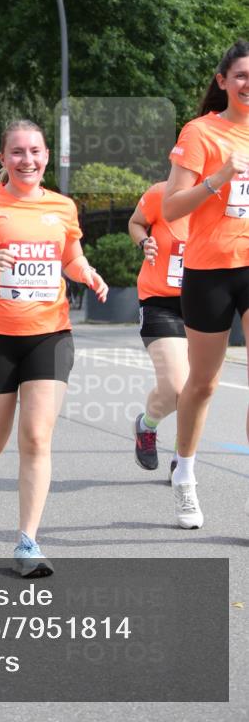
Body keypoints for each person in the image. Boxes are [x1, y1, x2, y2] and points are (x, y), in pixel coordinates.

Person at [0, 120, 108, 577]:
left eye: (34, 151)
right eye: (17, 153)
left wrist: (86, 272)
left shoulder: (62, 206)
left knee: (36, 437)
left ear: (46, 155)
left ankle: (28, 541)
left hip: (50, 333)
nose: (26, 160)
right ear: (3, 159)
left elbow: (69, 256)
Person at [163, 39, 249, 529]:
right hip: (210, 269)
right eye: (240, 76)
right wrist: (218, 177)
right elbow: (171, 208)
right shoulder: (200, 132)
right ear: (222, 81)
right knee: (204, 382)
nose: (247, 85)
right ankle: (186, 476)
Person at [128, 182, 189, 479]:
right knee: (176, 387)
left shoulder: (229, 200)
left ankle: (183, 460)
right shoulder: (162, 193)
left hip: (208, 302)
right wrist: (144, 242)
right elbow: (136, 222)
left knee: (197, 390)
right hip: (159, 301)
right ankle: (147, 426)